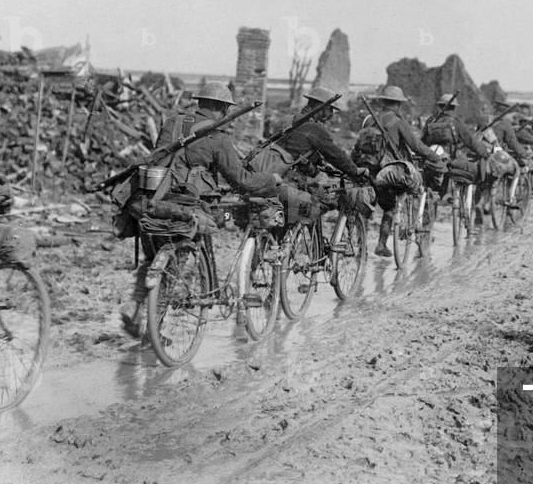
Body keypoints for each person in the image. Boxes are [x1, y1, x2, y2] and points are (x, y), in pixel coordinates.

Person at [121, 81, 280, 337]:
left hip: (149, 201)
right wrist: (271, 180)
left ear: (200, 102)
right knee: (176, 263)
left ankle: (134, 303)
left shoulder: (172, 123)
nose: (227, 115)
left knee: (153, 259)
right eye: (226, 110)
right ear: (221, 108)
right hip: (184, 206)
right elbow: (241, 181)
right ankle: (153, 330)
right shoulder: (218, 138)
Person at [357, 85, 445, 257]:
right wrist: (435, 157)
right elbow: (416, 145)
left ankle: (361, 248)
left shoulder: (369, 120)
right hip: (387, 171)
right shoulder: (398, 122)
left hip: (367, 169)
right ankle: (381, 244)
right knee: (389, 207)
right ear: (398, 104)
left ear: (382, 101)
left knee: (365, 210)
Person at [276, 87, 369, 181]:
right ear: (319, 106)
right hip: (291, 176)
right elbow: (335, 155)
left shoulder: (288, 119)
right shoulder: (314, 127)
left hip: (275, 170)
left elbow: (298, 146)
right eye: (330, 109)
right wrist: (354, 170)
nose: (331, 114)